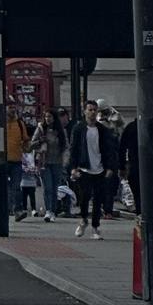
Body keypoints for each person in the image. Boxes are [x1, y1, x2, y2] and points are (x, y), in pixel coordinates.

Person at [69, 99, 117, 238]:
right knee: (84, 197)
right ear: (84, 111)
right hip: (84, 168)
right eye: (89, 110)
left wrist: (110, 167)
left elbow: (109, 149)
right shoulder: (79, 129)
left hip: (100, 169)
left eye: (94, 110)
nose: (92, 112)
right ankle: (83, 219)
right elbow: (74, 149)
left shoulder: (102, 130)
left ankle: (95, 227)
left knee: (98, 199)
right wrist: (73, 167)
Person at [33, 108, 68, 222]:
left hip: (57, 162)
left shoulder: (61, 131)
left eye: (50, 117)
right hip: (44, 162)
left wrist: (65, 162)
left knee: (54, 188)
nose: (48, 119)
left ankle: (53, 210)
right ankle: (48, 210)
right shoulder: (41, 129)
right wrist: (39, 141)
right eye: (46, 117)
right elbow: (32, 143)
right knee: (47, 187)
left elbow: (66, 147)